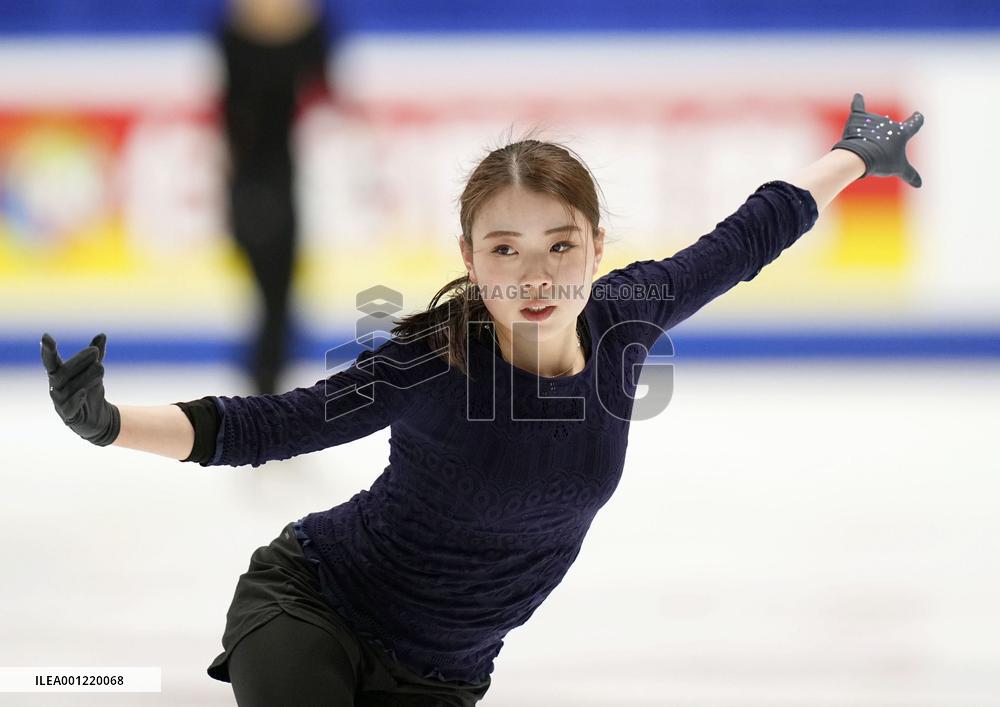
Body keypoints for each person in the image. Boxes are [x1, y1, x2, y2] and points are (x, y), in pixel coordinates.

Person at [40, 93, 923, 706]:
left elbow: (750, 233)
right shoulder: (432, 362)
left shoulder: (629, 315)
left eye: (558, 244)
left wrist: (857, 151)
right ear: (469, 256)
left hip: (444, 672)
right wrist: (108, 425)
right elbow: (270, 424)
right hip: (314, 606)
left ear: (596, 244)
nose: (534, 273)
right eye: (504, 249)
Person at [217, 0, 336, 394]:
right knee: (271, 293)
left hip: (274, 178)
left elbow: (326, 80)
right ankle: (265, 384)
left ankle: (267, 384)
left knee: (279, 293)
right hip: (253, 180)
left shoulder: (304, 35)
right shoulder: (235, 36)